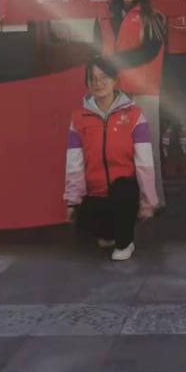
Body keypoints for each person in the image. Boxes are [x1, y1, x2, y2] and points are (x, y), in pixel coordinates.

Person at [64, 56, 157, 261]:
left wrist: (148, 201)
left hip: (124, 192)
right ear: (87, 83)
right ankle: (110, 232)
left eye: (104, 77)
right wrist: (72, 201)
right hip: (95, 192)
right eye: (93, 78)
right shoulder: (78, 118)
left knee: (124, 190)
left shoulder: (135, 115)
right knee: (88, 235)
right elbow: (74, 164)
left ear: (115, 80)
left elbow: (145, 163)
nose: (98, 83)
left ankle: (125, 242)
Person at [94, 0, 167, 207]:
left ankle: (154, 200)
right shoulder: (104, 16)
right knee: (117, 148)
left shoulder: (153, 16)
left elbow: (150, 51)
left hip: (144, 90)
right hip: (112, 91)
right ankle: (125, 201)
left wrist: (115, 61)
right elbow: (96, 50)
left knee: (147, 146)